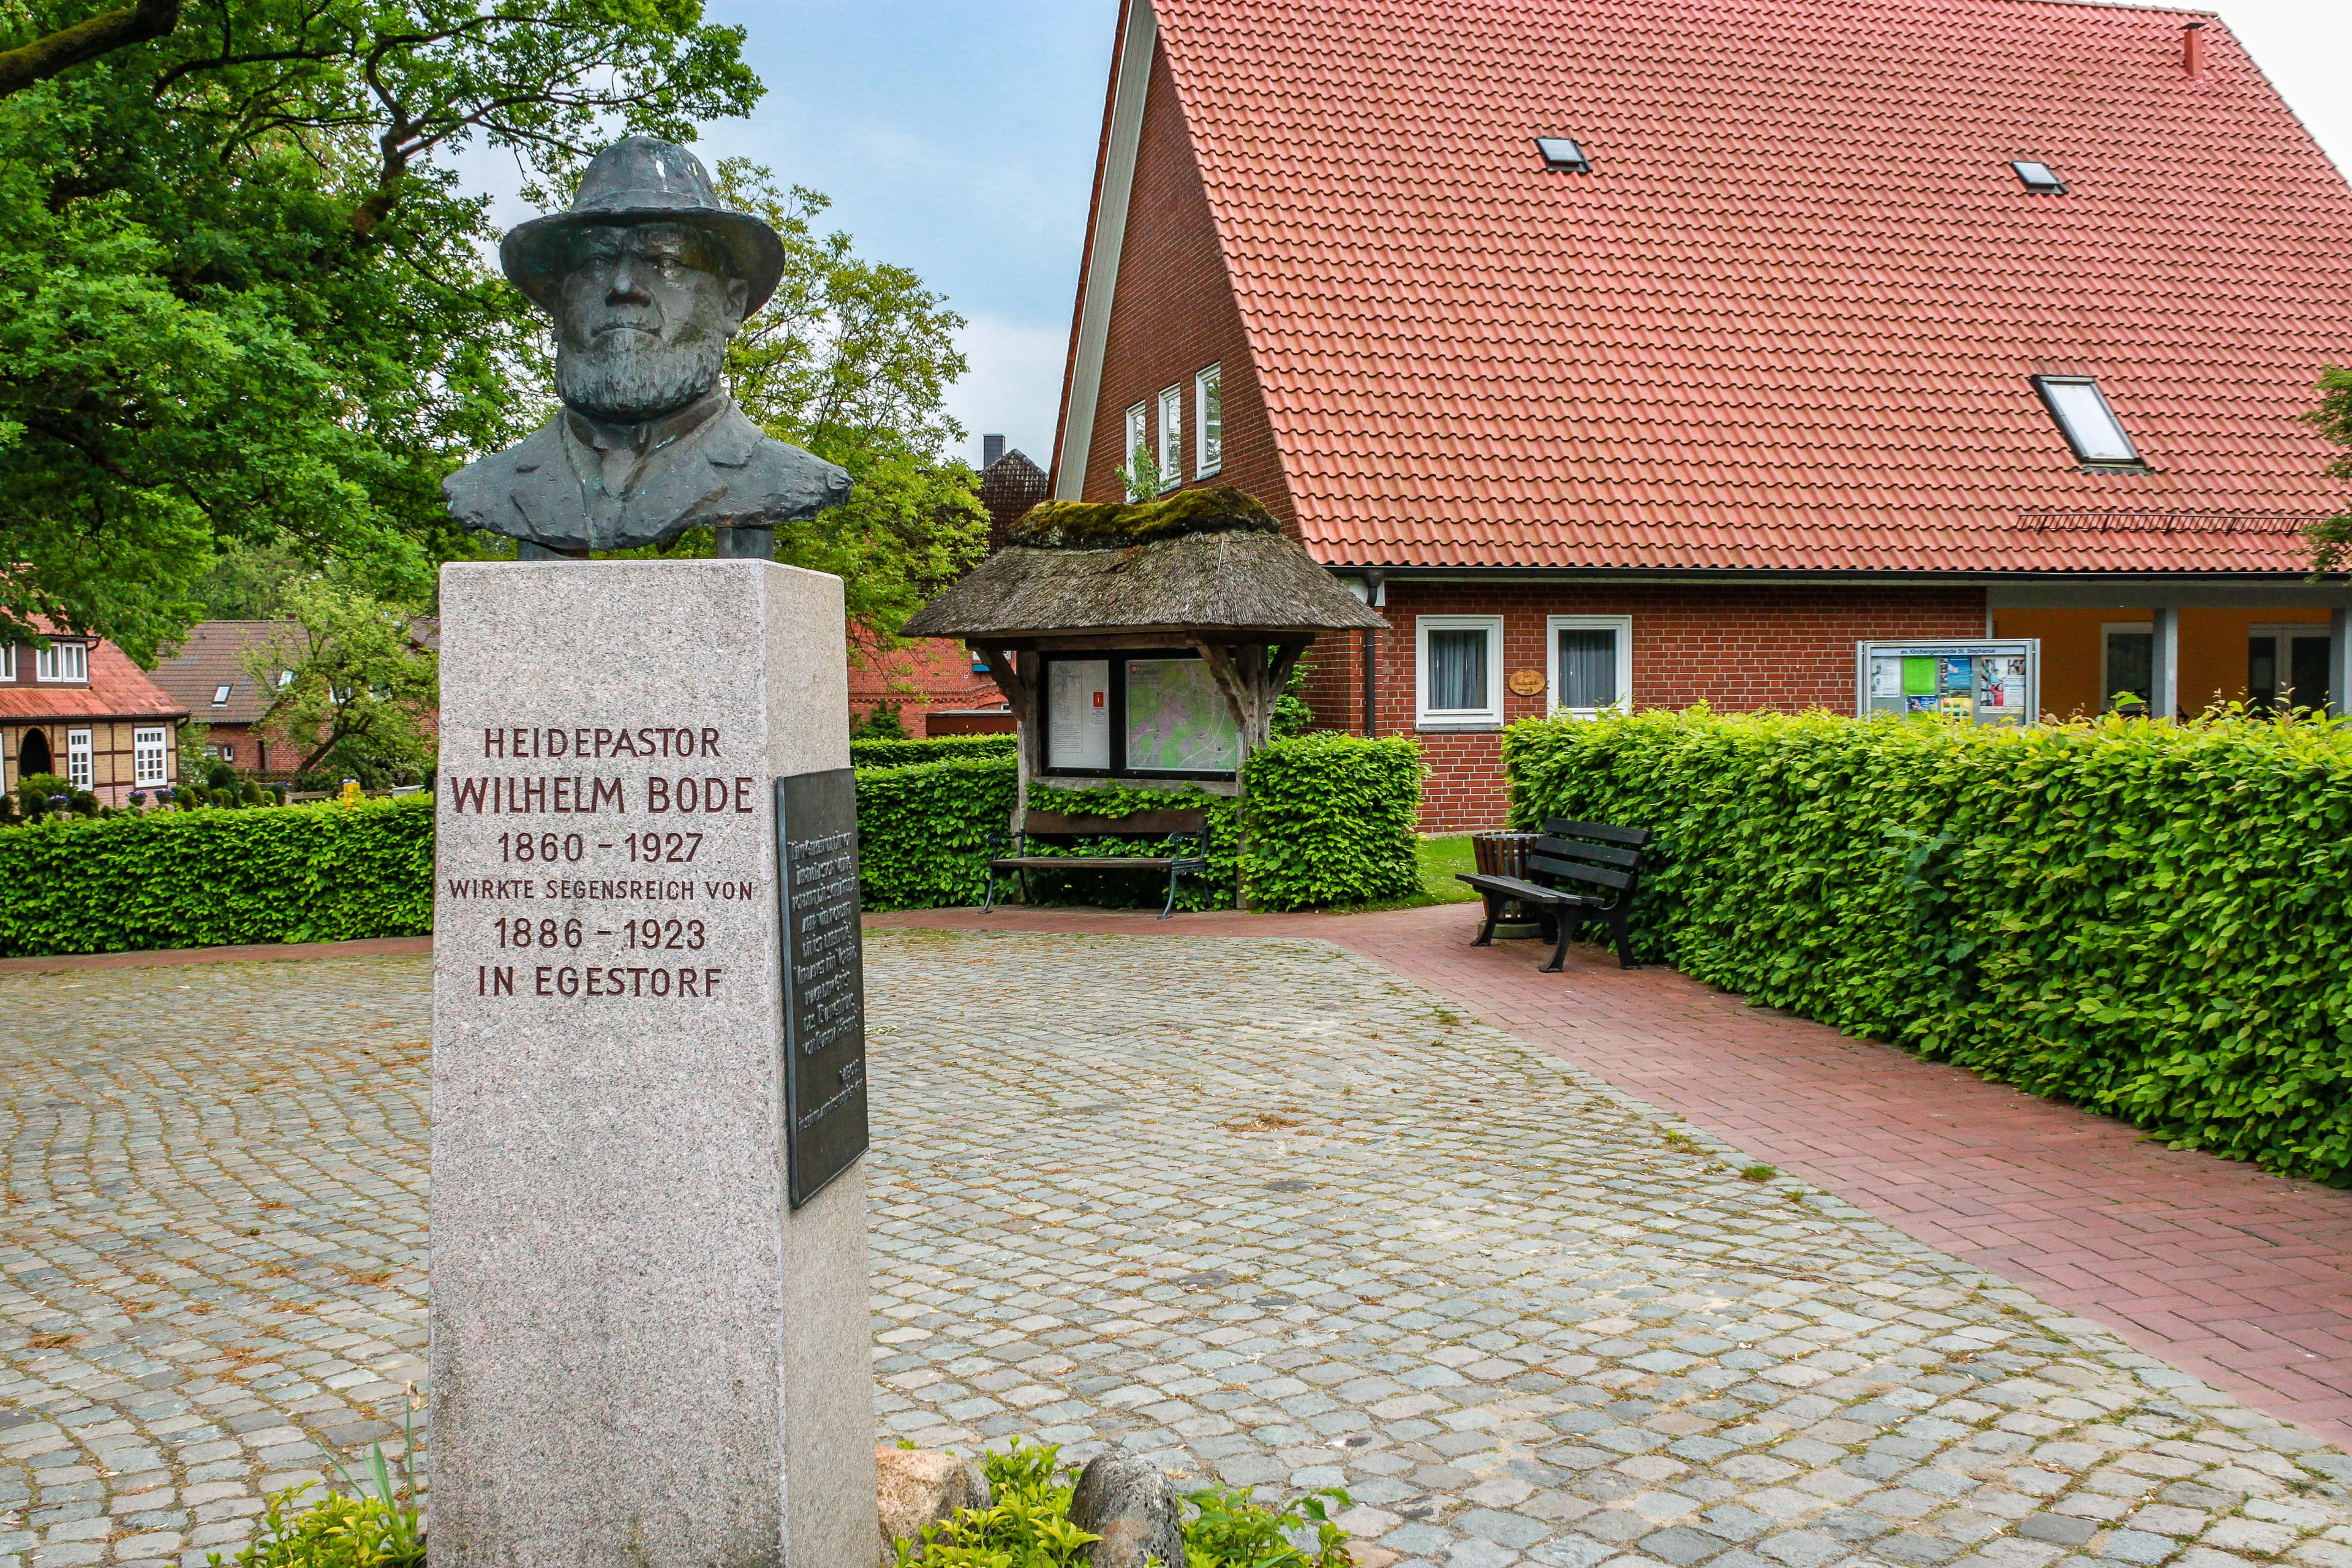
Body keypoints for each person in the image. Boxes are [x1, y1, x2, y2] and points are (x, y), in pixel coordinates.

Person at [442, 135, 851, 559]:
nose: (623, 286)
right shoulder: (485, 488)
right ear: (558, 306)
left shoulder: (788, 478)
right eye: (595, 262)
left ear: (730, 305)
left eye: (666, 262)